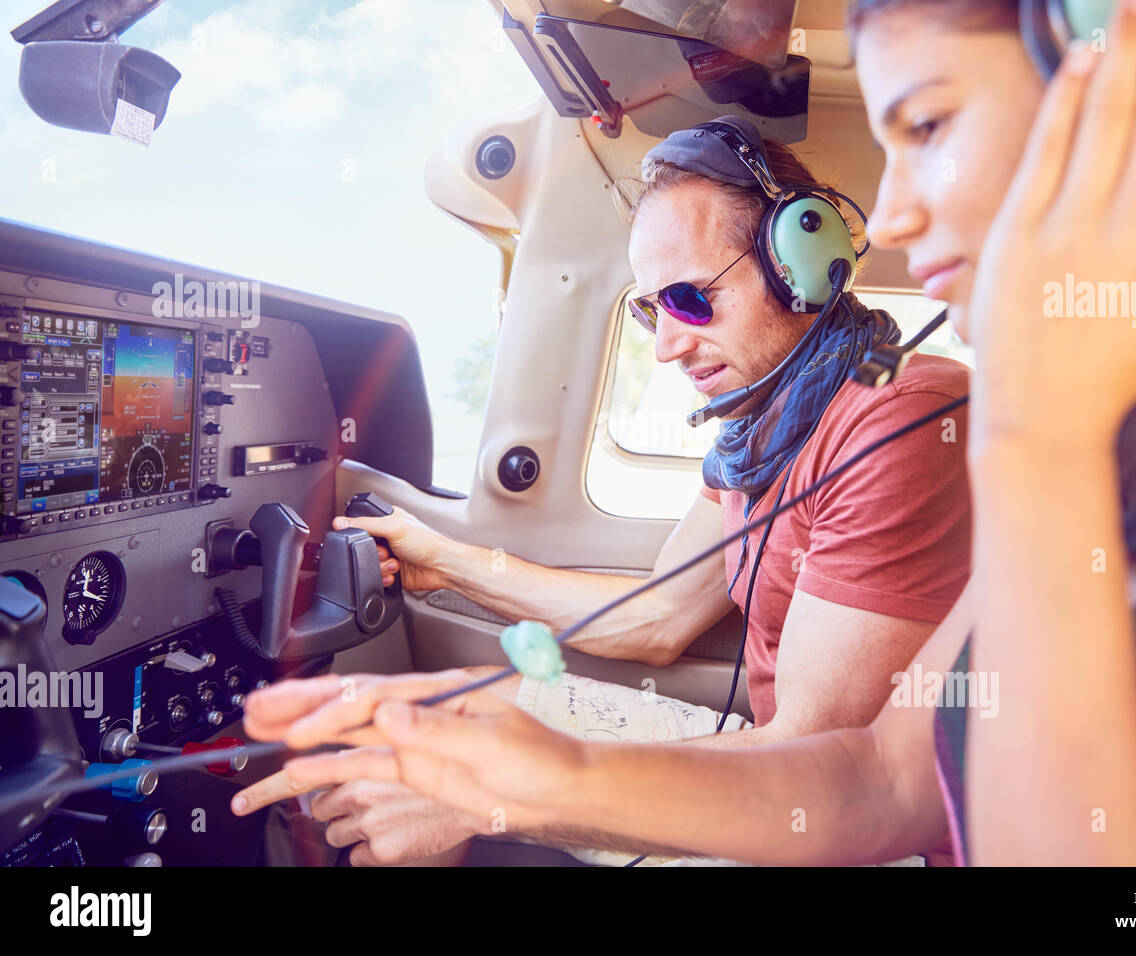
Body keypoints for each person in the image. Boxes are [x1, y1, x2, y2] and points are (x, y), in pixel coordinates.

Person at [239, 0, 1136, 864]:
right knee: (493, 709)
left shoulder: (928, 421)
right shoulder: (775, 432)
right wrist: (475, 630)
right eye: (652, 312)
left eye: (928, 126)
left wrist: (1034, 433)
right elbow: (864, 762)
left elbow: (836, 768)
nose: (891, 219)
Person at [232, 116, 972, 865]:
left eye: (689, 298)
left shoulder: (900, 422)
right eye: (653, 309)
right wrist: (450, 562)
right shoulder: (759, 434)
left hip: (856, 825)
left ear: (801, 261)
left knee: (457, 774)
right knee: (450, 715)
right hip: (791, 768)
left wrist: (488, 800)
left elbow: (824, 785)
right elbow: (656, 617)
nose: (668, 345)